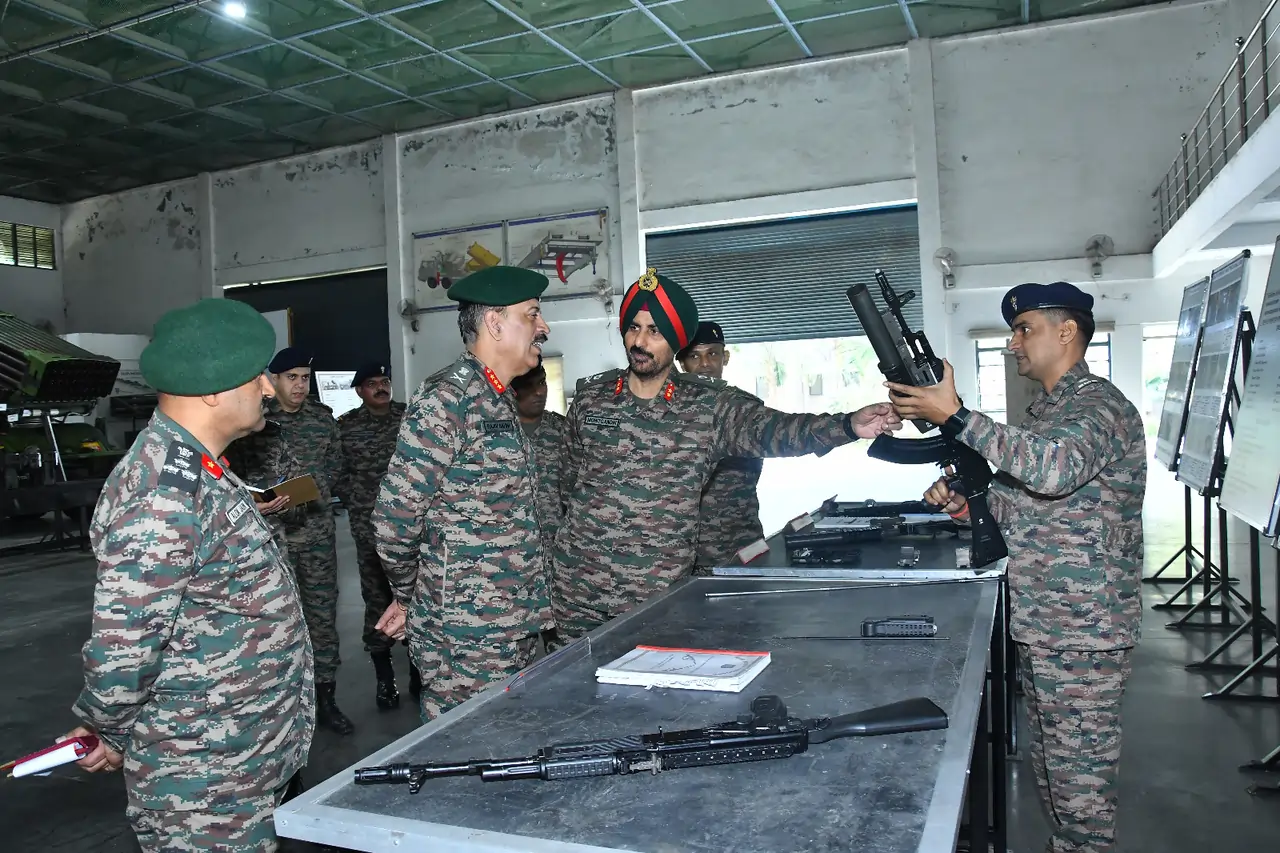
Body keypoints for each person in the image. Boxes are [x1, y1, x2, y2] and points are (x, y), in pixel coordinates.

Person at [887, 281, 1146, 853]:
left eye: (1025, 328)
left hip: (1085, 631)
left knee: (1082, 799)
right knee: (1056, 784)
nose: (1013, 343)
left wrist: (955, 415)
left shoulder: (1098, 406)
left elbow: (1053, 470)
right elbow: (1029, 501)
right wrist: (968, 506)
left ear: (1067, 331)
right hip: (1048, 623)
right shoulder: (1051, 412)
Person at [61, 298, 314, 853]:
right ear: (212, 389)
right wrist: (106, 724)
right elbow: (124, 648)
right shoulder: (160, 493)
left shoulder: (201, 468)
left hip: (238, 755)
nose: (269, 390)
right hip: (203, 779)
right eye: (257, 378)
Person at [552, 268, 902, 637]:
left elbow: (778, 430)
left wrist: (847, 425)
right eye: (633, 328)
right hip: (578, 591)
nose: (639, 341)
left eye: (654, 331)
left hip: (654, 595)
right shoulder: (592, 399)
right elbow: (570, 482)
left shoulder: (710, 407)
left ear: (675, 340)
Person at [372, 265, 553, 721]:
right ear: (494, 322)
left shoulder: (497, 397)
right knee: (467, 754)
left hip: (513, 620)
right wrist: (413, 596)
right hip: (468, 635)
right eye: (532, 315)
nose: (544, 327)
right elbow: (394, 520)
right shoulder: (446, 400)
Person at [257, 346, 353, 734]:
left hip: (315, 535)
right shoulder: (256, 423)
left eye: (304, 378)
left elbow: (334, 466)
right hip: (271, 540)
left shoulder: (322, 419)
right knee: (274, 621)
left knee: (322, 617)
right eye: (291, 378)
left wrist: (312, 492)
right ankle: (281, 707)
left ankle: (326, 699)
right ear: (274, 380)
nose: (299, 385)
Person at [333, 361, 417, 710]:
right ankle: (385, 681)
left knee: (416, 598)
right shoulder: (346, 427)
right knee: (377, 600)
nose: (381, 388)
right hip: (370, 531)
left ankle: (418, 673)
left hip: (413, 528)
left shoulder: (409, 417)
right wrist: (358, 500)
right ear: (359, 391)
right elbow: (336, 474)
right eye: (372, 383)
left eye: (385, 381)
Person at [675, 320, 766, 570]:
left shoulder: (747, 408)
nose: (705, 364)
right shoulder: (667, 412)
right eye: (695, 356)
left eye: (713, 354)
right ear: (681, 363)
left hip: (739, 540)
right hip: (683, 549)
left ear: (725, 357)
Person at [510, 357, 568, 565]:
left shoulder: (563, 430)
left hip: (557, 549)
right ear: (512, 390)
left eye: (542, 383)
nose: (539, 392)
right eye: (529, 386)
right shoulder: (498, 434)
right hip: (510, 550)